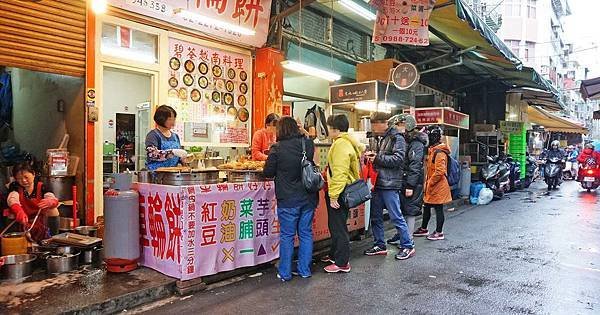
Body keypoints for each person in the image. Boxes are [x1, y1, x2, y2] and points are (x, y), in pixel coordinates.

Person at [263, 117, 317, 281]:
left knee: (287, 236)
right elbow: (309, 141)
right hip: (308, 198)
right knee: (305, 234)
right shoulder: (306, 145)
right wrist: (303, 131)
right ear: (296, 129)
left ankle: (285, 273)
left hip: (288, 200)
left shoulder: (277, 149)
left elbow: (268, 173)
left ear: (280, 130)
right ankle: (305, 270)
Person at [364, 112, 415, 260]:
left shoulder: (397, 138)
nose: (373, 128)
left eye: (374, 125)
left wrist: (377, 158)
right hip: (376, 183)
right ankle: (379, 244)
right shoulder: (374, 138)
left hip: (390, 183)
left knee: (395, 216)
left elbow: (399, 160)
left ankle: (408, 245)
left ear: (383, 123)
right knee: (375, 216)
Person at [323, 114, 363, 273]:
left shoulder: (340, 144)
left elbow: (339, 172)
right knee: (337, 225)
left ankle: (342, 263)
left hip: (340, 191)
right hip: (343, 189)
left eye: (329, 128)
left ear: (335, 129)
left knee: (338, 227)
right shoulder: (347, 142)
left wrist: (333, 196)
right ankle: (335, 255)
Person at [387, 114, 427, 245]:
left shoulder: (416, 143)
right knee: (402, 209)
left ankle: (408, 239)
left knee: (410, 210)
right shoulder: (405, 140)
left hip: (411, 182)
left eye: (400, 125)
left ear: (407, 126)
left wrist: (410, 185)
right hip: (403, 180)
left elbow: (415, 165)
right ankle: (401, 235)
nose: (397, 127)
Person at [414, 125, 451, 241]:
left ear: (434, 137)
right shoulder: (433, 150)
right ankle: (424, 228)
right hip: (432, 186)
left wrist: (430, 183)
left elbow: (440, 171)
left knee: (438, 209)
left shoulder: (439, 152)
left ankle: (439, 232)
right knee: (427, 207)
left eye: (429, 136)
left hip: (438, 186)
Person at [5, 162, 59, 242]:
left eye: (26, 177)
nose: (23, 180)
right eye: (19, 179)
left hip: (39, 220)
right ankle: (13, 240)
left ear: (33, 174)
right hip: (22, 219)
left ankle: (53, 239)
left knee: (53, 210)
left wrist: (51, 201)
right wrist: (18, 211)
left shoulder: (42, 185)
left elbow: (50, 196)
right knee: (11, 213)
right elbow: (12, 199)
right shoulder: (14, 186)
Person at [145, 105, 188, 171]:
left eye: (174, 119)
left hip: (172, 175)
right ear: (161, 119)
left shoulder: (175, 136)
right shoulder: (153, 135)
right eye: (170, 119)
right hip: (156, 175)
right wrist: (171, 152)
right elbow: (152, 154)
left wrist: (184, 159)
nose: (173, 122)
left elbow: (178, 157)